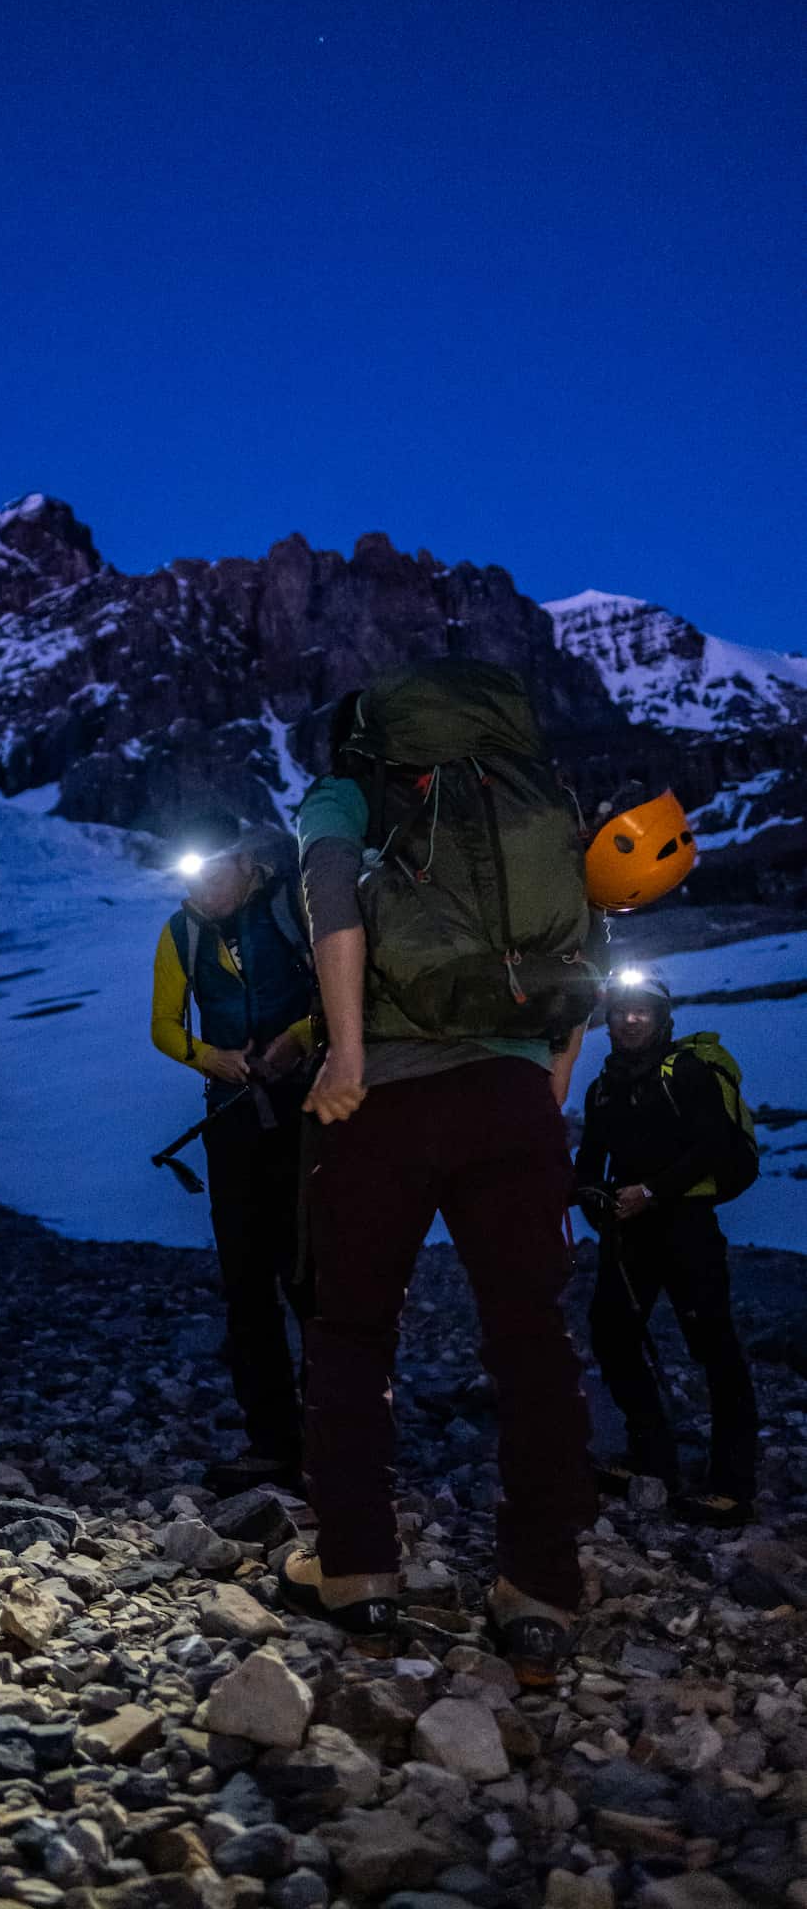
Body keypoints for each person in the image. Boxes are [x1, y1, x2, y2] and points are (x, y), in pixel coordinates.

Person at [277, 661, 598, 1683]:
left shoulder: (346, 790)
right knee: (531, 1338)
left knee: (351, 1326)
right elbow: (582, 945)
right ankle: (538, 1589)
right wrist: (541, 1085)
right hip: (508, 1090)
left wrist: (348, 1052)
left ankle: (356, 1567)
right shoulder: (529, 795)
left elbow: (333, 900)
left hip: (385, 1098)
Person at [150, 836, 316, 1495]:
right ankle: (273, 1441)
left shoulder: (292, 906)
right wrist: (210, 1058)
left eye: (215, 874)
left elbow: (342, 989)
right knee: (246, 1282)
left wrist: (299, 1041)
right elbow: (163, 1025)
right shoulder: (181, 930)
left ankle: (334, 1433)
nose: (203, 890)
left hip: (309, 1109)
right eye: (193, 879)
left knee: (310, 1275)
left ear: (246, 869)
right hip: (235, 1116)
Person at [575, 970, 759, 1526]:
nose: (630, 1020)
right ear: (608, 1020)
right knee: (612, 1333)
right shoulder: (604, 1086)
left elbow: (712, 1146)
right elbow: (589, 1159)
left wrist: (651, 1192)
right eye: (621, 1011)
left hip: (685, 1225)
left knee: (713, 1346)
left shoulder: (690, 1072)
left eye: (643, 1012)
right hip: (628, 1229)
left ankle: (732, 1484)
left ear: (661, 1019)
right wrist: (594, 1201)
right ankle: (651, 1458)